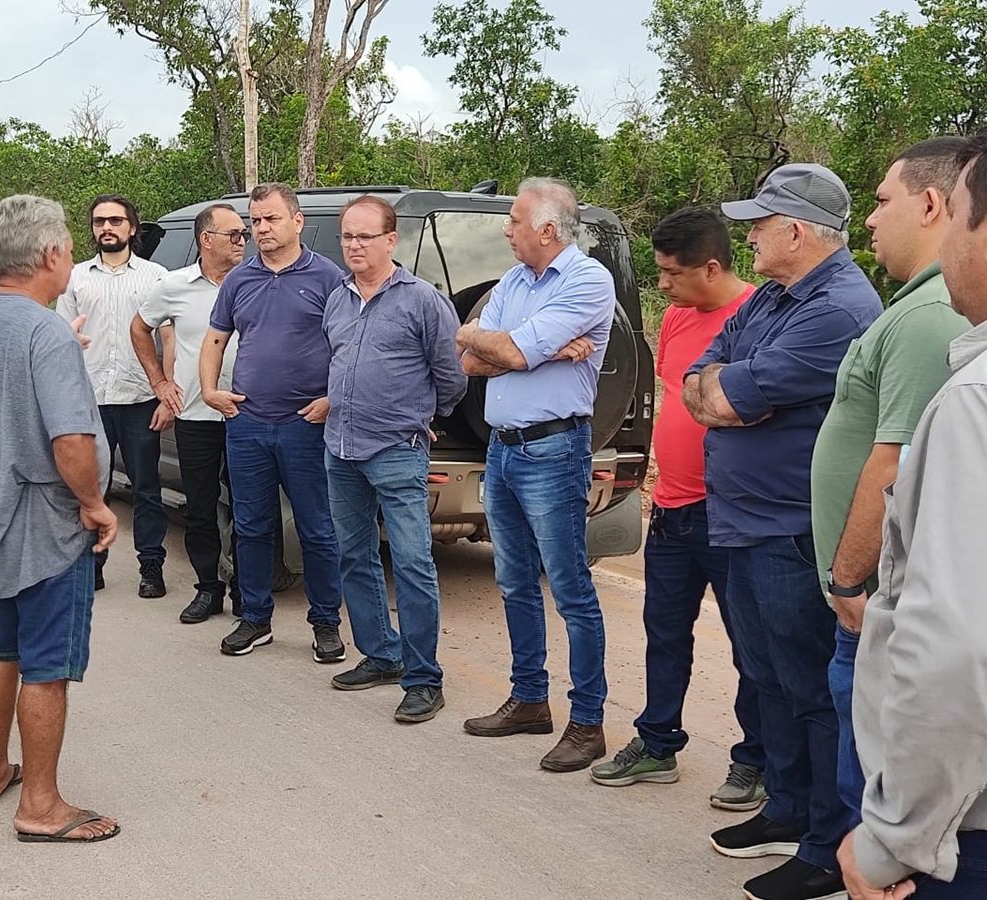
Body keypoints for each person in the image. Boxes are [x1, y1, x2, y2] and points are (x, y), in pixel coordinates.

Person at [684, 164, 883, 900]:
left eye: (761, 224)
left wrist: (731, 393)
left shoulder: (837, 309)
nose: (751, 236)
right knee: (767, 677)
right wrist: (726, 392)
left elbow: (732, 394)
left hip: (791, 530)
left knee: (810, 688)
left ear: (797, 231)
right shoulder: (772, 297)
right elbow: (703, 379)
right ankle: (790, 809)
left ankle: (830, 845)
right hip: (743, 521)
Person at [0, 193, 120, 843]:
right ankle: (40, 805)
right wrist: (94, 504)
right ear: (48, 255)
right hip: (47, 527)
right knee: (45, 665)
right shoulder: (46, 332)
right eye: (70, 245)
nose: (73, 254)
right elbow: (72, 441)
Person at [837, 130, 987, 900]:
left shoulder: (972, 400)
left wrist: (896, 840)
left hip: (965, 825)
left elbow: (958, 647)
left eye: (960, 214)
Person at [590, 207, 766, 809]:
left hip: (732, 513)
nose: (659, 284)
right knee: (664, 633)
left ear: (711, 268)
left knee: (751, 645)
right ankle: (657, 742)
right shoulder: (675, 317)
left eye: (670, 272)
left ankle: (756, 760)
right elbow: (678, 397)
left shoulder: (756, 317)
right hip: (672, 508)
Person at [458, 177, 614, 772]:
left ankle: (588, 721)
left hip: (553, 451)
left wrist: (517, 348)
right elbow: (467, 356)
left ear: (548, 229)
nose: (506, 228)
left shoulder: (587, 280)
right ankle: (528, 700)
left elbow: (515, 355)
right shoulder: (514, 281)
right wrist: (501, 341)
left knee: (571, 590)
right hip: (501, 449)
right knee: (514, 581)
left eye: (516, 220)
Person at [322, 195, 467, 723]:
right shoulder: (337, 298)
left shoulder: (423, 300)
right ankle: (381, 654)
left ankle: (425, 678)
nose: (353, 245)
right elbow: (335, 360)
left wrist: (427, 415)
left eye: (364, 236)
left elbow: (451, 375)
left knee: (411, 562)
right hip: (339, 448)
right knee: (353, 556)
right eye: (346, 236)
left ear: (391, 240)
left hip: (396, 451)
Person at [199, 182, 347, 661]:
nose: (261, 229)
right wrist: (209, 390)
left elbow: (349, 346)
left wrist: (331, 399)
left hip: (306, 424)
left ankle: (326, 623)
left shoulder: (328, 277)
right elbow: (216, 339)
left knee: (318, 529)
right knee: (252, 525)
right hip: (247, 423)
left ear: (297, 222)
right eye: (255, 221)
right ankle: (255, 619)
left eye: (271, 219)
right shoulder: (240, 279)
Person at [131, 203, 247, 624]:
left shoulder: (255, 282)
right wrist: (160, 383)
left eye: (244, 234)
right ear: (206, 239)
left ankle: (245, 593)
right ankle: (208, 589)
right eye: (234, 234)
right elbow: (140, 327)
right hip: (196, 415)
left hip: (246, 415)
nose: (242, 241)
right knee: (199, 509)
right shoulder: (174, 285)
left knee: (248, 509)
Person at [56, 194, 169, 598]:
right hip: (88, 400)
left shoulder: (156, 277)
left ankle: (151, 567)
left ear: (132, 228)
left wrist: (165, 394)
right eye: (100, 221)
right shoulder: (75, 279)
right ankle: (91, 565)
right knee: (90, 486)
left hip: (140, 398)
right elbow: (60, 339)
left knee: (146, 489)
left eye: (116, 221)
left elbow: (167, 337)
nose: (107, 228)